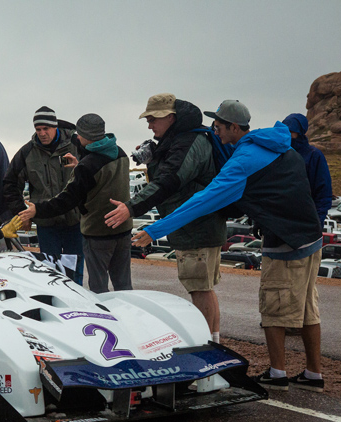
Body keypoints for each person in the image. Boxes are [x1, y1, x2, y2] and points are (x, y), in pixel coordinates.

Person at [133, 100, 324, 392]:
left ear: (235, 127)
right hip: (312, 236)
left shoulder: (244, 160)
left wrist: (154, 230)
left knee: (273, 311)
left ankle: (278, 374)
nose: (215, 131)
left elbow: (202, 201)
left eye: (219, 126)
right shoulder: (279, 144)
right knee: (309, 310)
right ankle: (313, 374)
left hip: (285, 242)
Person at [105, 93, 226, 341]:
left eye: (153, 119)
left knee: (199, 290)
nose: (149, 124)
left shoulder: (188, 141)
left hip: (195, 228)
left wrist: (132, 207)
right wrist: (153, 159)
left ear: (171, 118)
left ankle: (206, 348)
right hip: (202, 225)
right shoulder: (187, 139)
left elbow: (170, 180)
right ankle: (213, 343)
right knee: (203, 289)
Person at [19, 114, 133, 293]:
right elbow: (103, 179)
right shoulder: (120, 152)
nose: (77, 138)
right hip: (123, 229)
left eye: (79, 134)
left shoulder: (87, 166)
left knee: (98, 287)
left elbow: (66, 200)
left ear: (87, 136)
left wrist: (37, 210)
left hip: (98, 232)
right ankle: (127, 317)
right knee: (124, 284)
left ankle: (105, 319)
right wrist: (80, 166)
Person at [3, 106, 84, 284]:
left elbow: (92, 174)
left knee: (76, 272)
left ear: (55, 126)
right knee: (49, 273)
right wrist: (21, 213)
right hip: (46, 224)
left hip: (75, 221)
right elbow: (9, 184)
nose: (42, 133)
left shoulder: (77, 145)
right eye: (38, 129)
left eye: (46, 129)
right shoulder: (27, 152)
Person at [282, 113, 333, 227]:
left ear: (300, 132)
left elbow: (323, 192)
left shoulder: (314, 156)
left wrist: (317, 222)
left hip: (305, 223)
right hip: (277, 224)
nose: (287, 135)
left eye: (291, 132)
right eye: (284, 131)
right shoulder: (278, 154)